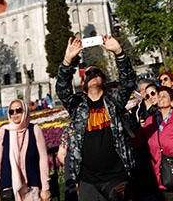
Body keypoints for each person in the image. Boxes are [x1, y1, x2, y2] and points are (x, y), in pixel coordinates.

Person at [57, 35, 137, 201]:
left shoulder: (114, 102)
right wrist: (67, 60)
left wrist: (119, 53)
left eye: (96, 72)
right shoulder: (78, 106)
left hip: (116, 176)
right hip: (88, 181)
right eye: (88, 73)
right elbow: (63, 89)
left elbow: (128, 81)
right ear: (83, 83)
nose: (92, 74)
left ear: (104, 78)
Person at [0, 99, 50, 201]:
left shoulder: (35, 130)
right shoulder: (4, 132)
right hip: (9, 192)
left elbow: (43, 160)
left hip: (32, 190)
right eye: (11, 111)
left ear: (25, 111)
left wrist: (45, 188)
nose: (15, 114)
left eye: (18, 110)